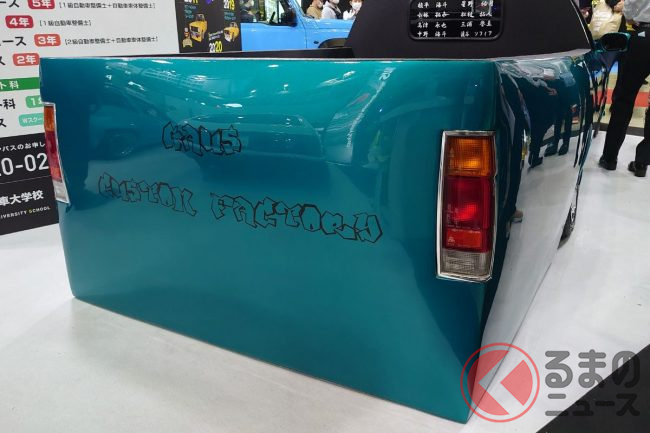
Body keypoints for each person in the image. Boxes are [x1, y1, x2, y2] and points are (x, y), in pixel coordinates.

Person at [600, 0, 650, 176]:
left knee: (624, 99)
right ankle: (642, 162)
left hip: (644, 37)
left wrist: (631, 16)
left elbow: (629, 8)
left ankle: (609, 158)